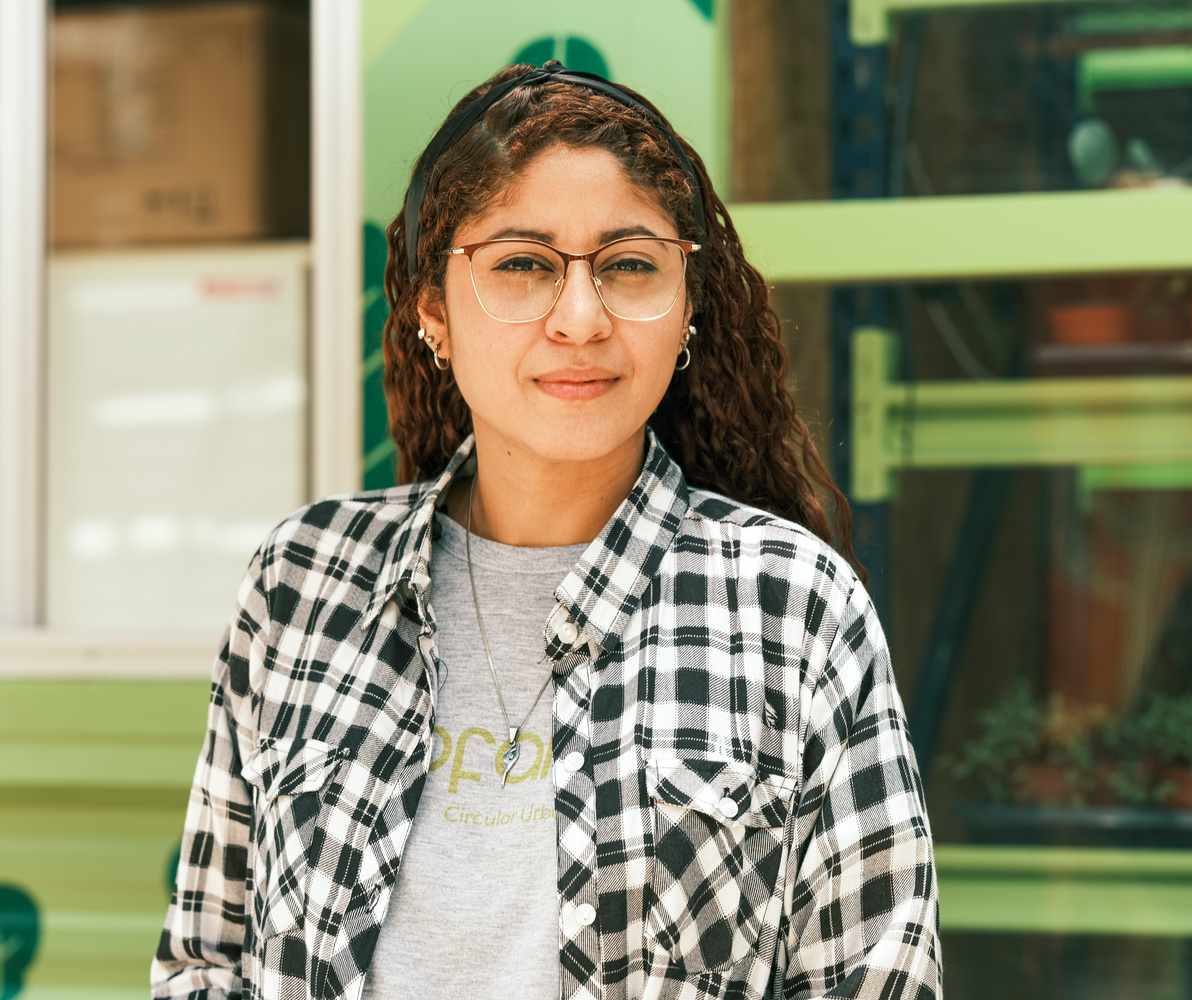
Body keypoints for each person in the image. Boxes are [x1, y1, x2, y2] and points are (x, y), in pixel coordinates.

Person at [151, 62, 941, 1000]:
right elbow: (204, 963)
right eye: (522, 264)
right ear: (431, 311)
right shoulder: (301, 587)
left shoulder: (794, 609)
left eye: (629, 265)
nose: (580, 318)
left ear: (685, 305)